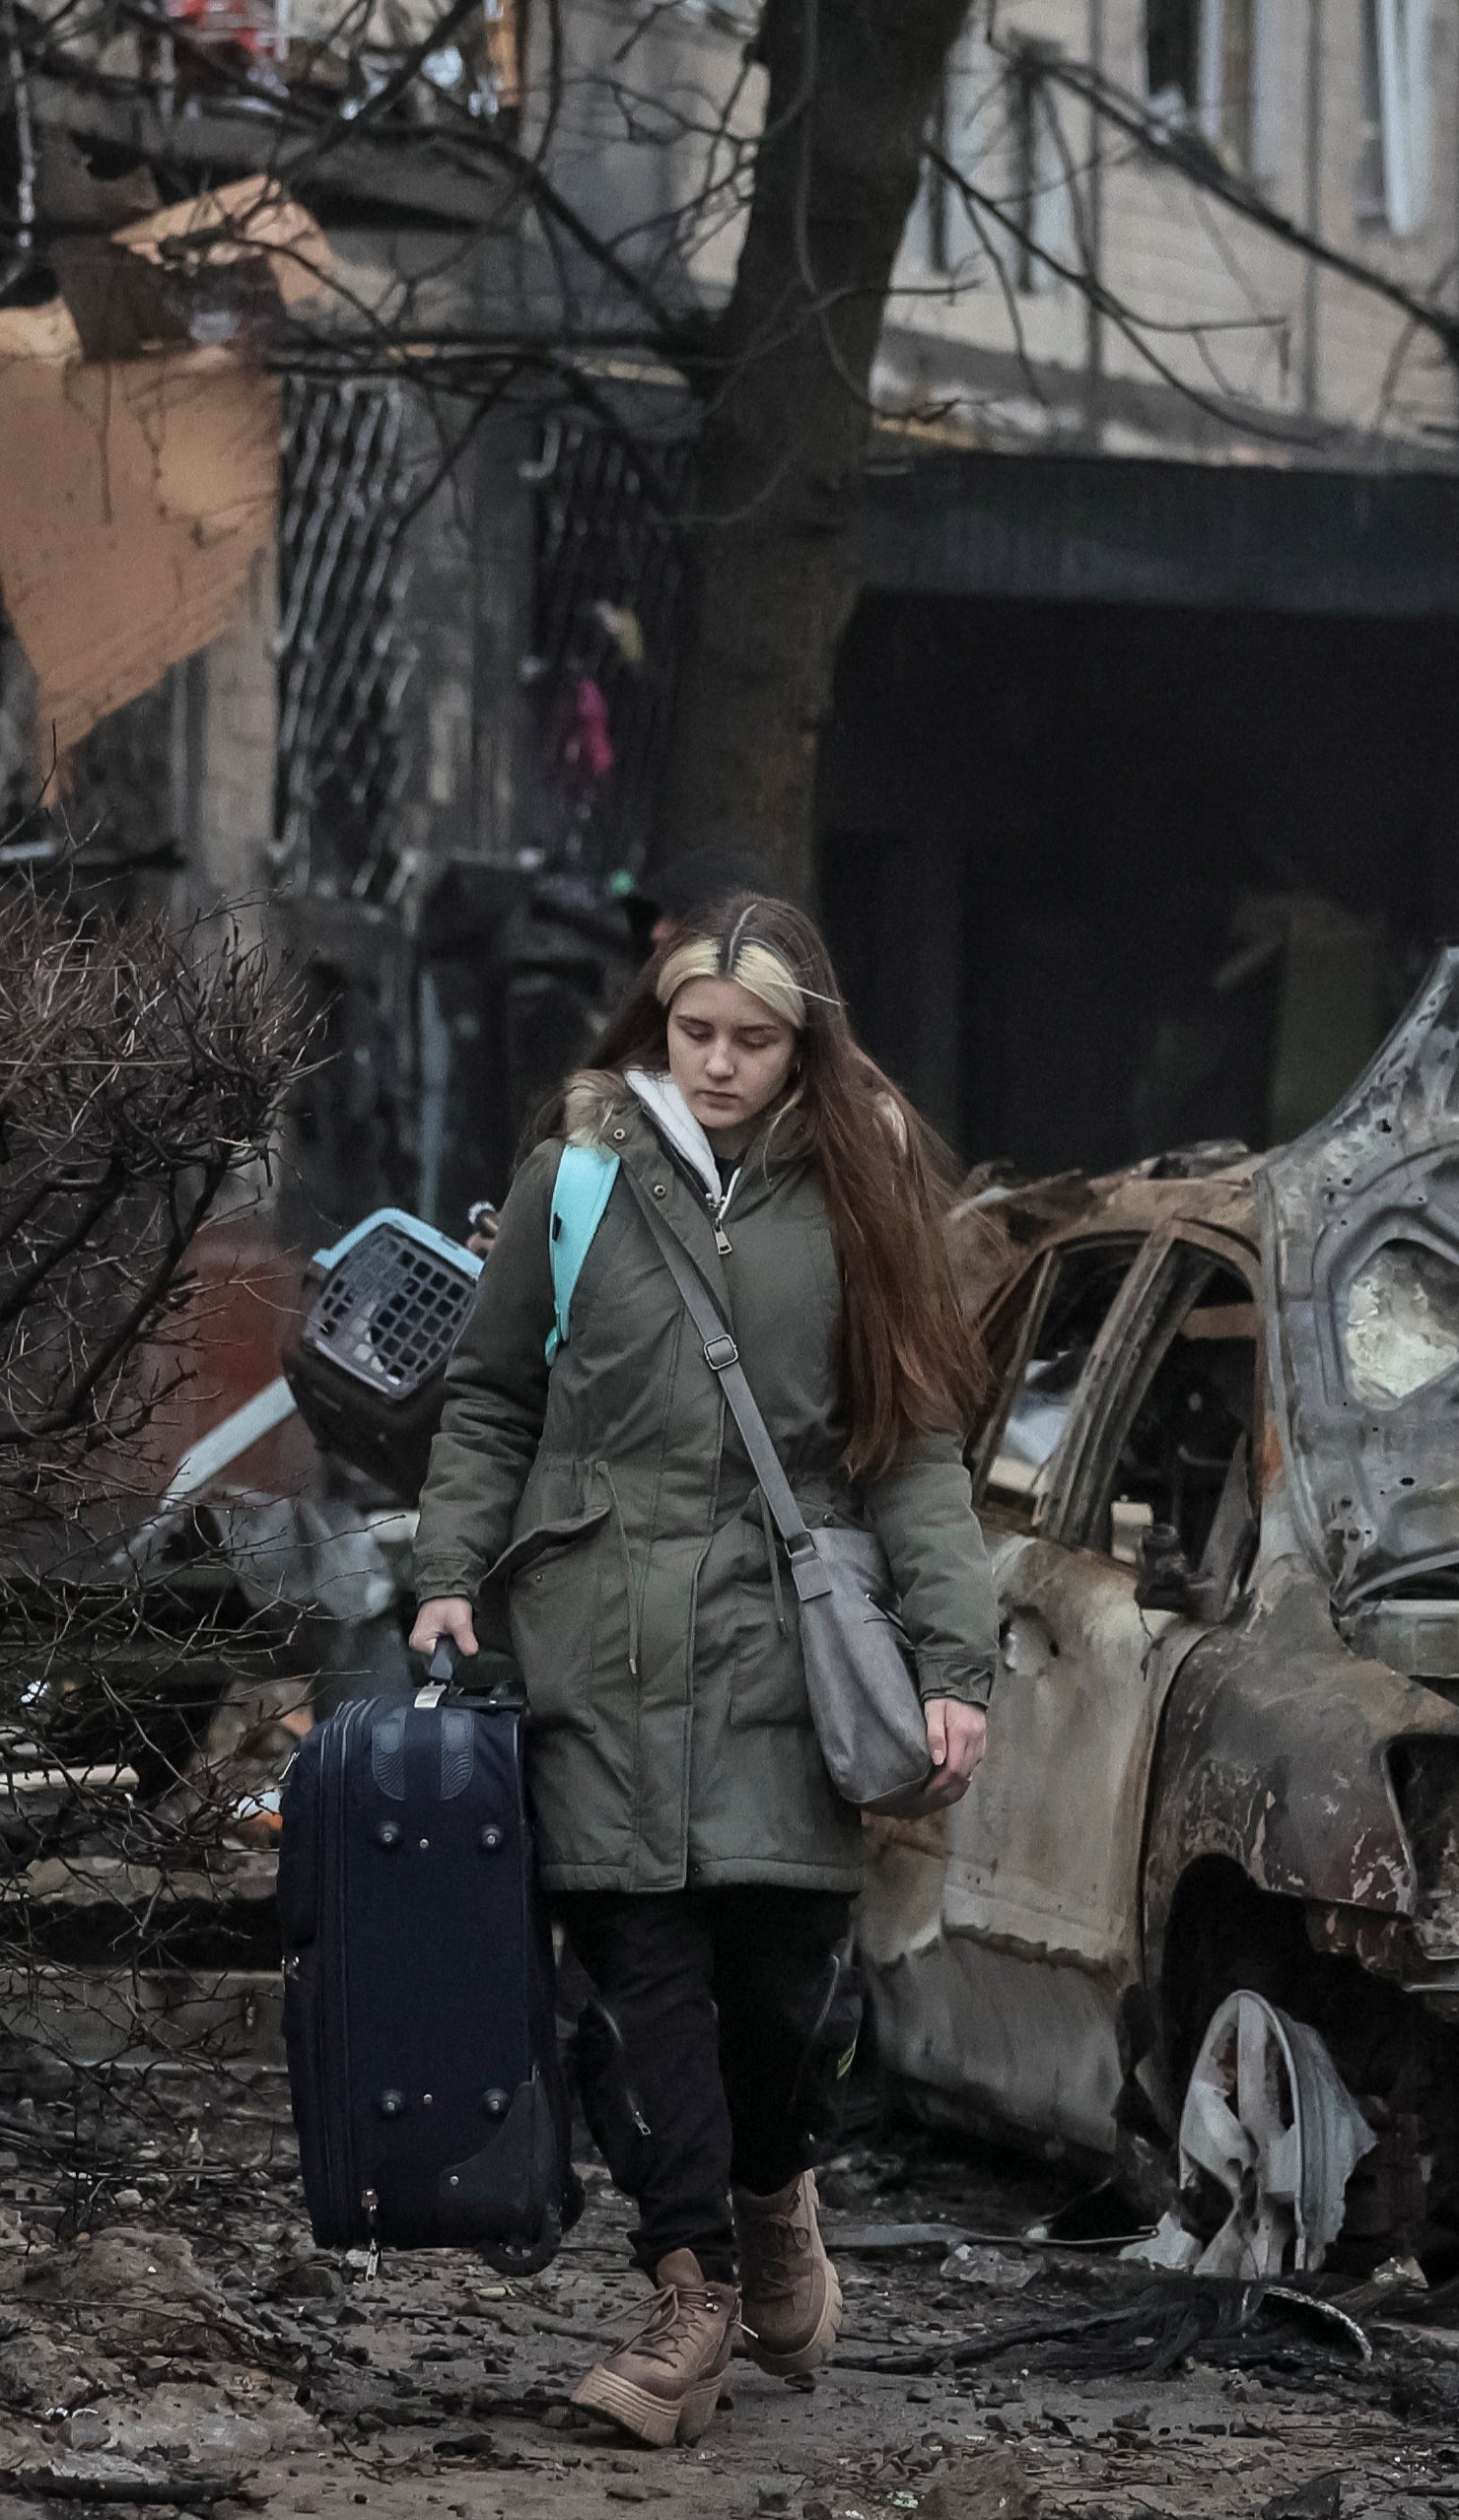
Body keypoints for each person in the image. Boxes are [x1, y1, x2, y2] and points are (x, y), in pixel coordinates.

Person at [407, 894, 997, 2447]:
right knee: (628, 1984)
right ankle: (683, 2296)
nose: (719, 1063)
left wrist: (956, 1662)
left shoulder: (867, 1200)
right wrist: (452, 1573)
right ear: (657, 1026)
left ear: (805, 1044)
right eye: (695, 1033)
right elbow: (485, 1401)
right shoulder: (574, 1181)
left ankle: (767, 2187)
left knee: (780, 2000)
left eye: (750, 1039)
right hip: (592, 1639)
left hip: (784, 1656)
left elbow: (915, 1457)